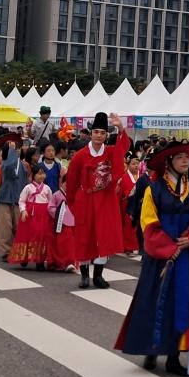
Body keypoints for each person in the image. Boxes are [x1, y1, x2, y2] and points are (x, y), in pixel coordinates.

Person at [115, 139, 189, 375]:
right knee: (155, 301)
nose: (185, 160)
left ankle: (175, 356)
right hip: (160, 258)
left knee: (184, 303)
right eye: (179, 157)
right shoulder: (153, 191)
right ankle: (152, 349)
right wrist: (169, 249)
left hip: (186, 258)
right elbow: (148, 225)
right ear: (168, 163)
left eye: (187, 157)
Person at [66, 113, 131, 288]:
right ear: (91, 133)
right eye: (96, 132)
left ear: (106, 135)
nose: (99, 135)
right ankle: (85, 275)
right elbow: (71, 181)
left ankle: (98, 275)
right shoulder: (80, 155)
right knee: (84, 236)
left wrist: (120, 128)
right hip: (85, 199)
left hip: (105, 200)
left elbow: (123, 147)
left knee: (105, 235)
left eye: (103, 133)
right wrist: (71, 202)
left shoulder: (110, 152)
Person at [9, 164, 53, 269]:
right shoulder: (28, 188)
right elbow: (22, 201)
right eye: (39, 173)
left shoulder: (47, 188)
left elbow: (50, 202)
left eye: (43, 173)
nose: (41, 176)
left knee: (41, 236)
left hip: (43, 215)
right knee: (27, 235)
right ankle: (24, 257)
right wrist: (23, 211)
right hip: (30, 215)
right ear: (33, 175)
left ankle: (40, 260)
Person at [0, 142, 30, 258]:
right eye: (15, 150)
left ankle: (18, 249)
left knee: (18, 226)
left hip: (18, 198)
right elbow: (10, 165)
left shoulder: (24, 165)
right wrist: (11, 150)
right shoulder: (5, 164)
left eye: (18, 149)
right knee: (5, 227)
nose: (17, 151)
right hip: (5, 198)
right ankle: (6, 251)